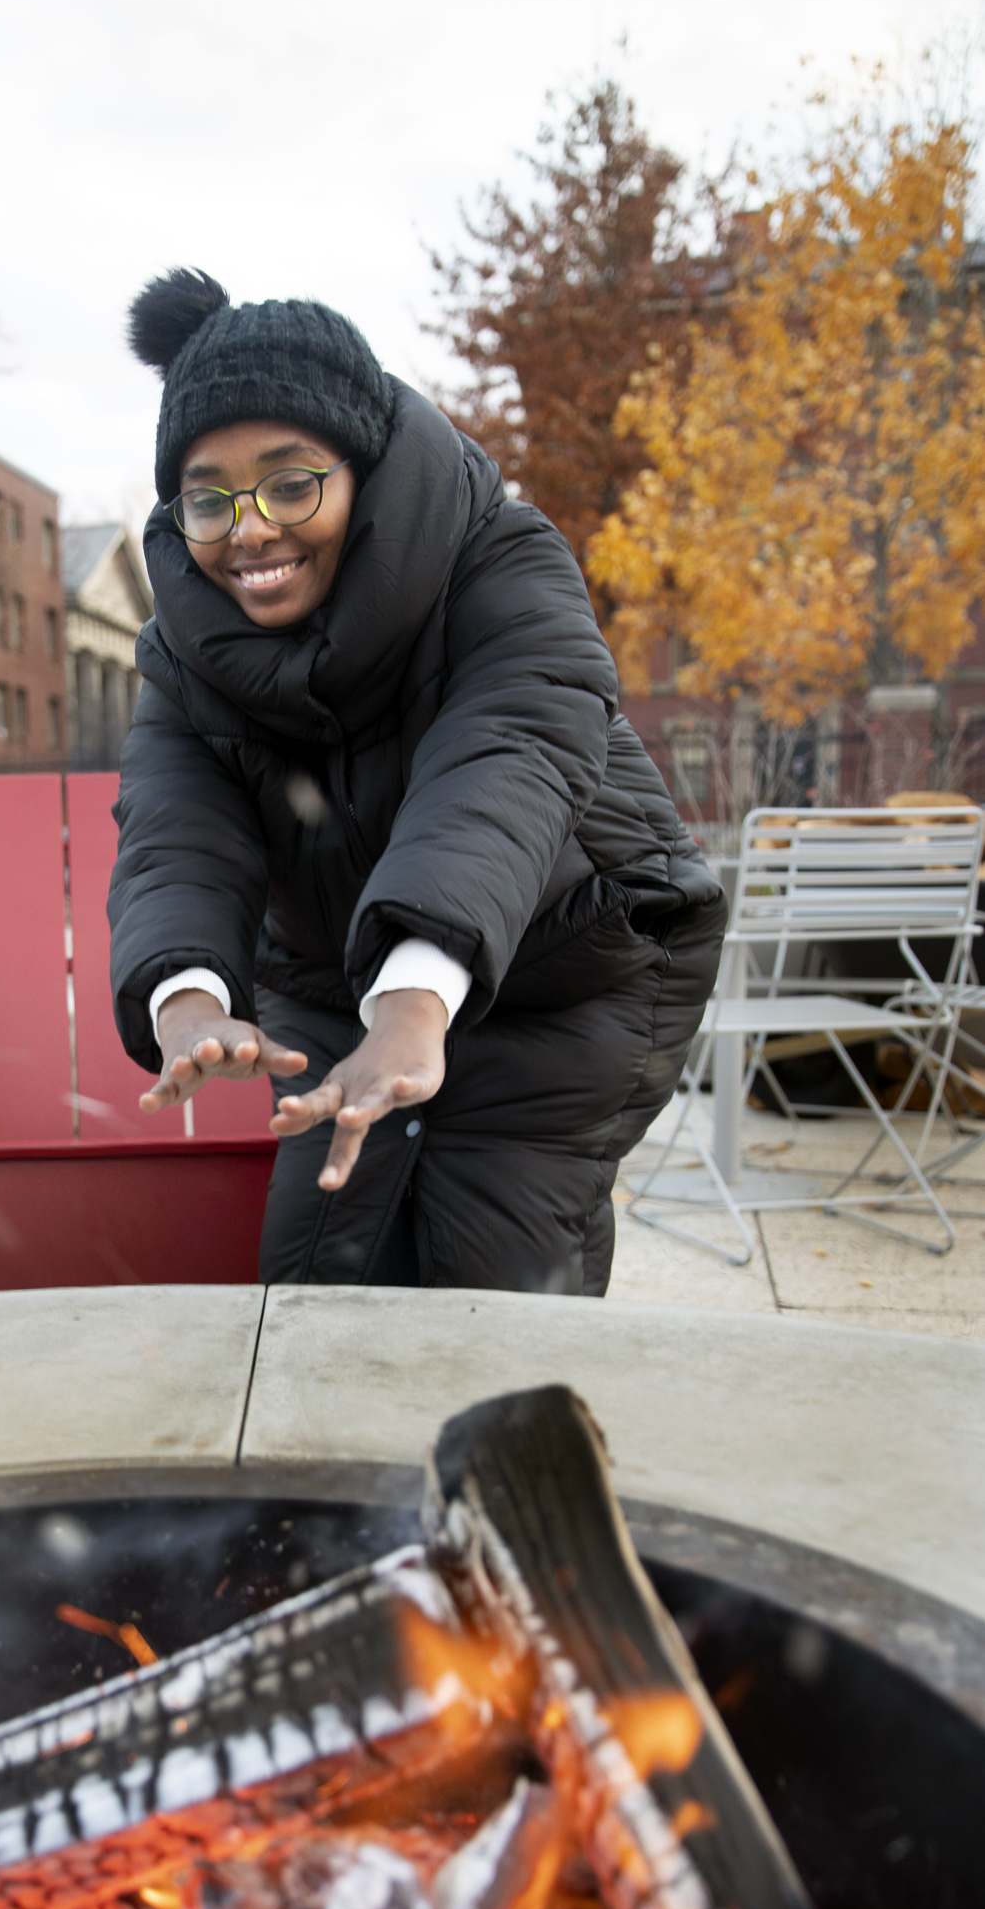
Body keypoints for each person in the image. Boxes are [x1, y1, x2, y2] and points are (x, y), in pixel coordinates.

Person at [107, 270, 726, 1295]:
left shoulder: (499, 566)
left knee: (490, 1293)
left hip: (561, 970)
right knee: (322, 1286)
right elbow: (176, 828)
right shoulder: (183, 653)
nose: (249, 528)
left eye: (290, 481)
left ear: (362, 468)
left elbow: (505, 764)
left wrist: (413, 1000)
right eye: (207, 497)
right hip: (339, 989)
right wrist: (187, 998)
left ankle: (520, 1448)